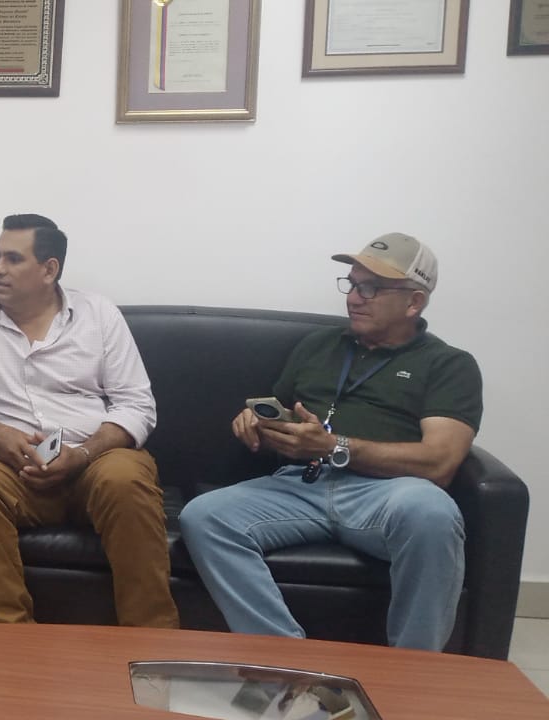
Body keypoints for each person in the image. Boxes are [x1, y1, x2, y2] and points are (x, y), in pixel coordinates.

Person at [180, 233, 481, 651]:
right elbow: (283, 415)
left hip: (387, 493)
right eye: (352, 284)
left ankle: (414, 670)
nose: (354, 298)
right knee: (203, 516)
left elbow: (439, 462)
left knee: (433, 513)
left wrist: (333, 445)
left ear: (414, 302)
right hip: (300, 483)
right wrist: (258, 424)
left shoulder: (448, 364)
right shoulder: (319, 346)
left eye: (371, 288)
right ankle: (288, 661)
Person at [0, 214, 178, 629]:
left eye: (13, 259)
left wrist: (83, 454)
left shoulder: (98, 314)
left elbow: (136, 405)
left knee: (125, 480)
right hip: (17, 466)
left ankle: (150, 642)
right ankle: (11, 643)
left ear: (49, 269)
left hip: (96, 459)